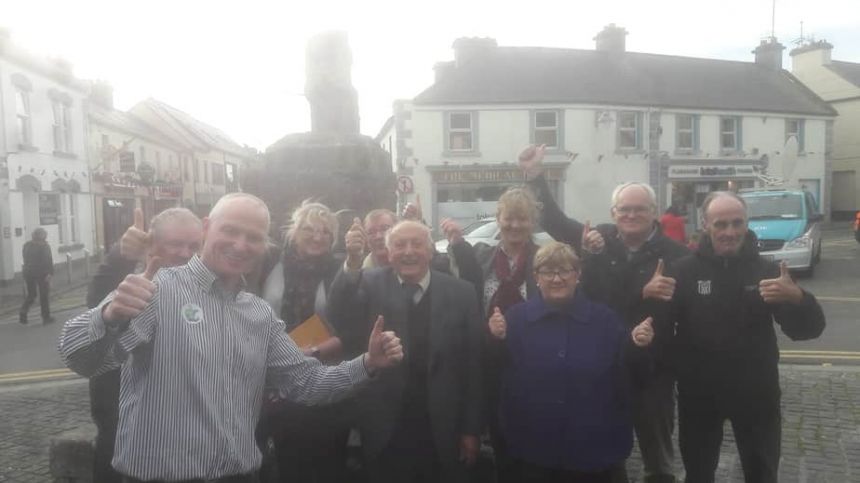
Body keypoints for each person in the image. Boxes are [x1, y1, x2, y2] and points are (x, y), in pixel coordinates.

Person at [59, 192, 404, 483]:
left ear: (264, 244)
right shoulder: (158, 289)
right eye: (231, 231)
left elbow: (306, 382)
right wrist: (109, 316)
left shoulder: (258, 314)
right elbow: (79, 357)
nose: (241, 245)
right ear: (207, 228)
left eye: (253, 237)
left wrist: (368, 364)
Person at [520, 143, 688, 483]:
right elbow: (554, 220)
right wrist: (536, 176)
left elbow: (687, 315)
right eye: (624, 209)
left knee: (658, 458)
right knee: (608, 446)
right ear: (613, 213)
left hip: (652, 371)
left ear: (654, 211)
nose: (631, 215)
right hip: (604, 365)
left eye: (639, 209)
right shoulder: (599, 240)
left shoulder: (677, 255)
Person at [667, 191, 825, 483]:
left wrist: (799, 299)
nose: (730, 232)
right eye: (721, 224)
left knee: (762, 472)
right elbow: (663, 330)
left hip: (756, 394)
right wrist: (651, 302)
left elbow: (807, 330)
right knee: (698, 472)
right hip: (700, 396)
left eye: (737, 223)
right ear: (706, 225)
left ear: (746, 223)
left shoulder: (767, 270)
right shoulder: (684, 272)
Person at [329, 220, 483, 483]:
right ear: (388, 253)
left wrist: (471, 429)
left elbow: (473, 366)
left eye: (417, 244)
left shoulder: (462, 293)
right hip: (385, 427)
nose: (409, 251)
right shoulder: (368, 283)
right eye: (400, 245)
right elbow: (339, 310)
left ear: (431, 250)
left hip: (442, 426)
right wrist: (353, 262)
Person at [490, 241, 655, 483]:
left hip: (594, 452)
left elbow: (634, 376)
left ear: (578, 275)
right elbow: (497, 375)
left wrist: (638, 347)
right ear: (536, 277)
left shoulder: (605, 320)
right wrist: (495, 340)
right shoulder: (514, 319)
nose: (557, 279)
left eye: (565, 270)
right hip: (533, 450)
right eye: (548, 272)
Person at [85, 207, 203, 483]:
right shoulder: (131, 276)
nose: (186, 252)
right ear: (151, 244)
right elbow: (96, 304)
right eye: (176, 244)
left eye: (194, 245)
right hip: (119, 403)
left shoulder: (201, 282)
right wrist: (121, 257)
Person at [256, 200, 349, 483]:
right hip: (270, 378)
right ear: (294, 231)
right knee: (281, 461)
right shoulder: (269, 261)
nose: (318, 237)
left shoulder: (339, 270)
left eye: (326, 232)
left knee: (324, 461)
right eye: (310, 229)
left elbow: (351, 327)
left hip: (322, 374)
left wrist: (310, 352)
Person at [19, 227, 54, 325]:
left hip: (28, 272)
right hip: (41, 273)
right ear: (42, 236)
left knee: (31, 294)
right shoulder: (44, 246)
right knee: (44, 295)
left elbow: (25, 258)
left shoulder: (26, 245)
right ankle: (46, 317)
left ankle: (23, 311)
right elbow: (48, 260)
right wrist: (50, 273)